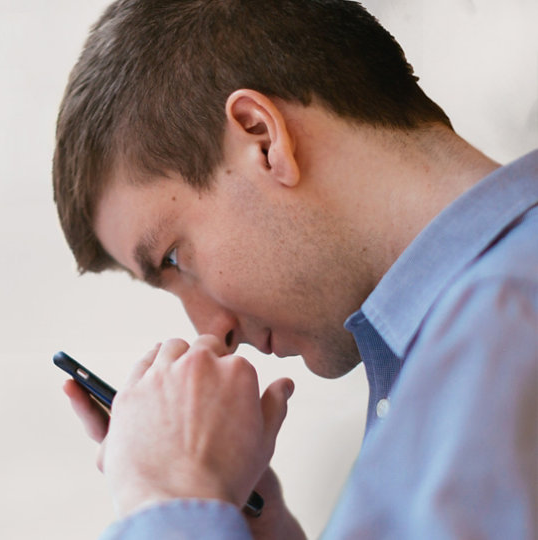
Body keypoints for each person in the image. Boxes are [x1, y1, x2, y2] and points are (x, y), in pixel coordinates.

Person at [51, 0, 538, 538]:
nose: (212, 331)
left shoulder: (507, 321)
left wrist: (171, 499)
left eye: (172, 258)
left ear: (261, 137)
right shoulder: (487, 330)